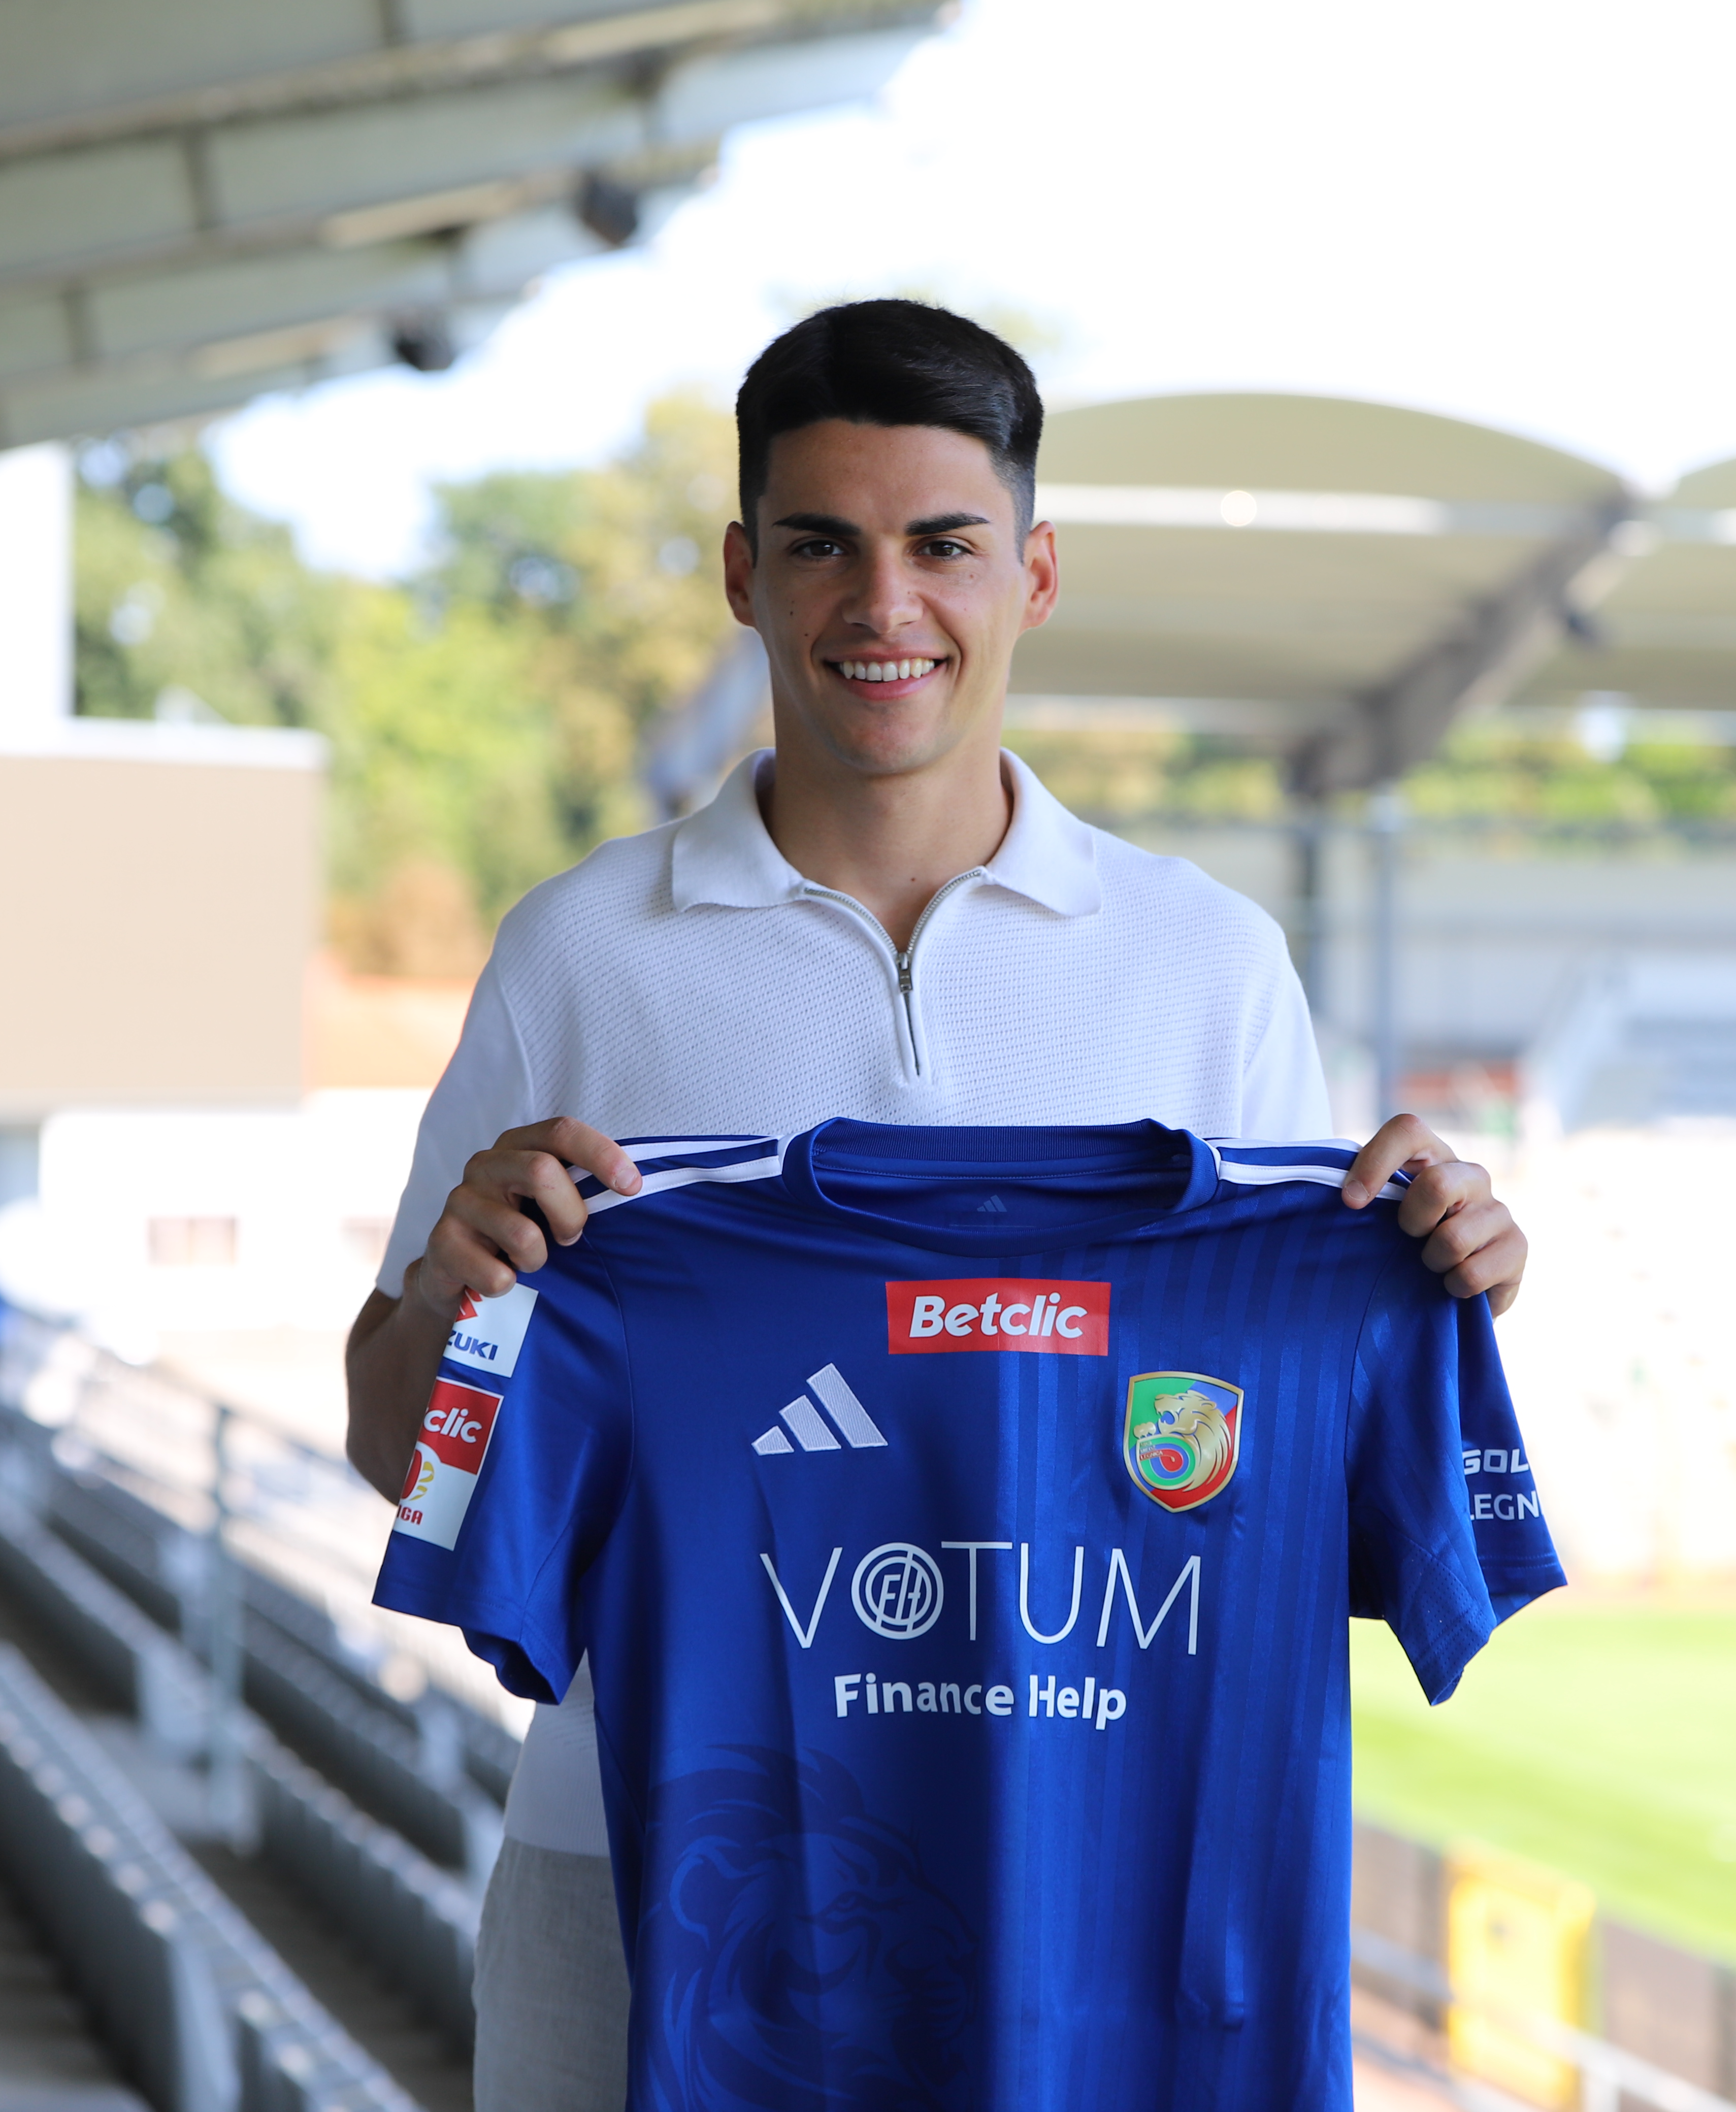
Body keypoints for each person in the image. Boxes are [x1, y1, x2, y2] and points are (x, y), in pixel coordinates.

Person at [340, 299, 1529, 2109]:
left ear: (1033, 574)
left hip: (1098, 1894)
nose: (882, 604)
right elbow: (399, 1452)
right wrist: (449, 1296)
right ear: (743, 574)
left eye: (945, 546)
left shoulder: (1206, 964)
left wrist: (1438, 1287)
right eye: (822, 545)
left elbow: (1284, 1446)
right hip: (646, 1882)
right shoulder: (582, 953)